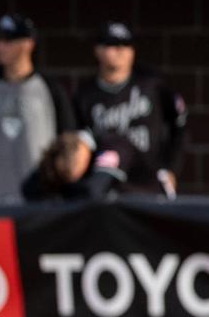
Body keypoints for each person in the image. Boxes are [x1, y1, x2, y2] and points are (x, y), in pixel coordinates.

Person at [0, 13, 75, 197]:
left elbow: (68, 142)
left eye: (8, 41)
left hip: (40, 201)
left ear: (28, 44)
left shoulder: (50, 88)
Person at [73, 21, 188, 197]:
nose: (120, 50)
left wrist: (170, 168)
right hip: (107, 187)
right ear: (97, 50)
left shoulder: (152, 86)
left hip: (149, 182)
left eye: (126, 45)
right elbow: (79, 140)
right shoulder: (85, 94)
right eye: (112, 44)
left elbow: (180, 124)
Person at [22, 130, 142, 201]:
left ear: (83, 154)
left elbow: (92, 192)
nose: (68, 178)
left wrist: (63, 190)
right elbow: (28, 188)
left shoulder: (112, 145)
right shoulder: (63, 150)